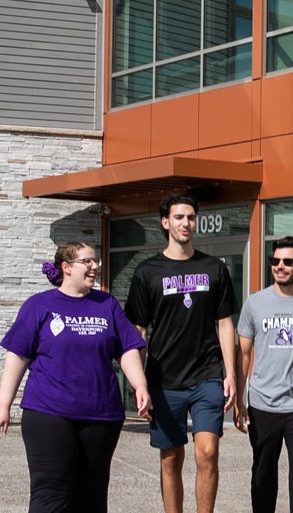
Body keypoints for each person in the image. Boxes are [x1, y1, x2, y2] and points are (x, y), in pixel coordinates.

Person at [0, 241, 152, 512]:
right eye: (87, 262)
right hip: (49, 412)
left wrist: (140, 385)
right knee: (51, 495)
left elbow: (126, 348)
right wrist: (2, 406)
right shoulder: (39, 305)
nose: (95, 266)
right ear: (66, 268)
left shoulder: (107, 304)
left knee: (92, 495)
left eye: (96, 261)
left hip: (101, 415)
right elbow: (18, 355)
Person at [124, 194, 238, 513]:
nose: (185, 223)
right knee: (171, 458)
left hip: (207, 376)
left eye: (190, 217)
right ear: (165, 223)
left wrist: (230, 374)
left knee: (207, 451)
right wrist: (139, 384)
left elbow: (225, 324)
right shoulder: (147, 272)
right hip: (164, 380)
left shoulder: (214, 268)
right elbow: (138, 332)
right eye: (178, 217)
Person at [233, 236, 293, 513]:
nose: (280, 266)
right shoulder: (254, 303)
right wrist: (240, 400)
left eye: (288, 262)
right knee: (263, 476)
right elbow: (244, 355)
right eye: (275, 261)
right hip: (263, 404)